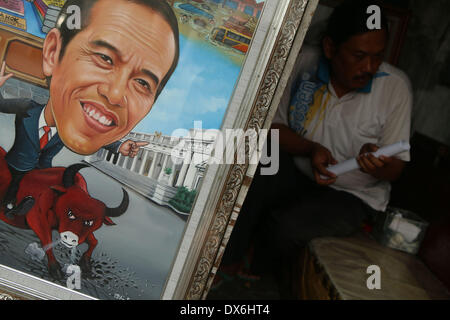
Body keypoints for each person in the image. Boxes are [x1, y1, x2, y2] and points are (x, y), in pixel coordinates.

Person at [216, 0, 412, 298]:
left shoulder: (395, 88)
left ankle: (255, 282)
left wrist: (377, 162)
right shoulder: (304, 63)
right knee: (251, 172)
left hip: (352, 194)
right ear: (331, 48)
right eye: (359, 56)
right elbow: (272, 128)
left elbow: (395, 169)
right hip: (298, 169)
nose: (370, 67)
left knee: (285, 227)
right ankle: (223, 267)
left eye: (377, 57)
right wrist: (311, 149)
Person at [0, 0, 180, 218]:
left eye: (142, 83)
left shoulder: (68, 128)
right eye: (104, 58)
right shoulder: (28, 109)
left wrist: (120, 146)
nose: (114, 95)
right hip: (16, 167)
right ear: (52, 53)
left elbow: (97, 128)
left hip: (42, 173)